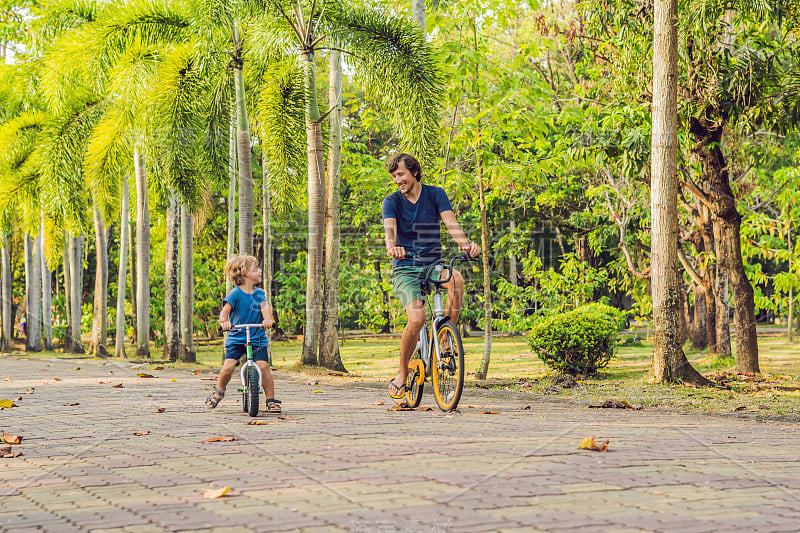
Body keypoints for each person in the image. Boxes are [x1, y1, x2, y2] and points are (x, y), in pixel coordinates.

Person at [381, 153, 481, 403]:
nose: (397, 180)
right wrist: (393, 247)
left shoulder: (436, 194)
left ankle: (445, 337)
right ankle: (402, 373)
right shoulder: (391, 202)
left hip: (433, 264)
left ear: (414, 172)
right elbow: (390, 231)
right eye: (394, 176)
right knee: (417, 319)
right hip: (406, 268)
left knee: (456, 279)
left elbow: (451, 223)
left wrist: (466, 245)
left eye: (401, 174)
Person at [206, 255, 281, 413]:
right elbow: (224, 312)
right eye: (256, 269)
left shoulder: (260, 293)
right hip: (236, 338)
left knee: (263, 367)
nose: (259, 271)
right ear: (246, 273)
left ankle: (271, 400)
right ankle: (219, 391)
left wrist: (267, 320)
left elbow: (265, 308)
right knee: (228, 367)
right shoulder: (235, 294)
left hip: (257, 338)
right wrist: (224, 322)